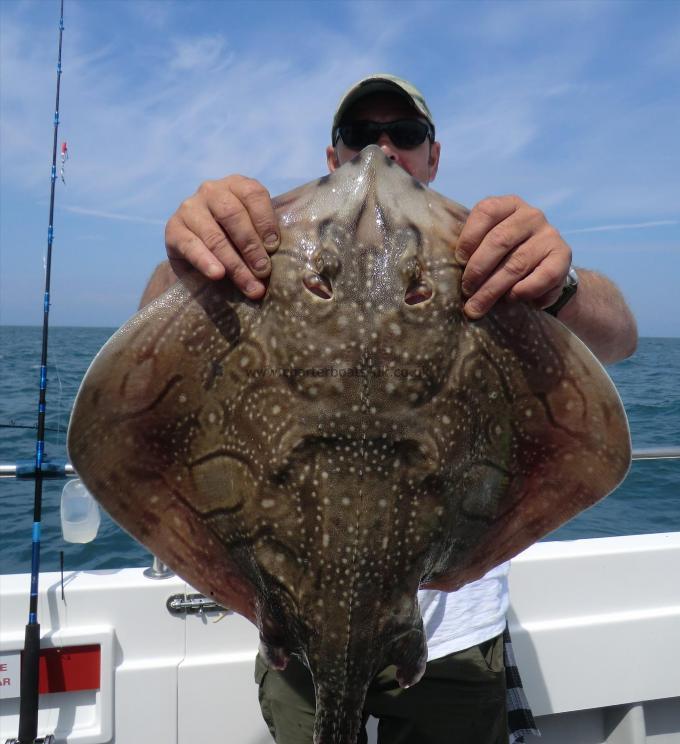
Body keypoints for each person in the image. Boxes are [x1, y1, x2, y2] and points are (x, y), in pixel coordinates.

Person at [141, 75, 638, 744]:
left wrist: (561, 281)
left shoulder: (489, 261)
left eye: (404, 136)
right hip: (295, 625)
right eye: (359, 137)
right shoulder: (262, 254)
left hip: (456, 635)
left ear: (433, 155)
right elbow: (148, 331)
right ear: (332, 156)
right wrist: (185, 263)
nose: (381, 153)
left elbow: (620, 335)